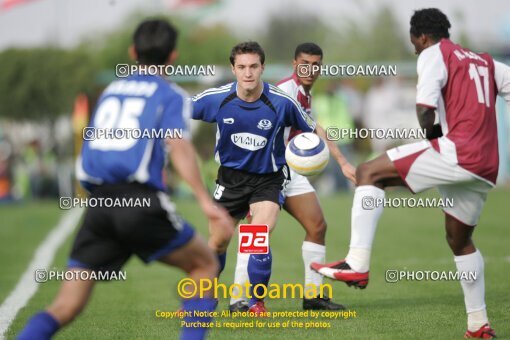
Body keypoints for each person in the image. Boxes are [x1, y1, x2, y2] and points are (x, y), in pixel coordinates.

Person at [18, 19, 232, 340]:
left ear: (132, 52)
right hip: (139, 201)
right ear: (173, 56)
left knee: (65, 306)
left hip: (100, 204)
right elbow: (178, 144)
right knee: (204, 267)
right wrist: (206, 202)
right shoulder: (170, 94)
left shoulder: (110, 91)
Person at [312, 8, 510, 339]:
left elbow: (424, 107)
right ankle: (479, 324)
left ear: (419, 36)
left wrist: (433, 140)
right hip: (486, 166)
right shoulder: (486, 62)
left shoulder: (434, 53)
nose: (415, 49)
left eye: (414, 43)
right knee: (459, 240)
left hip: (455, 153)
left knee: (367, 172)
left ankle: (357, 263)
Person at [191, 41, 343, 314]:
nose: (247, 73)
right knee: (217, 242)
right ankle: (206, 299)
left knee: (257, 235)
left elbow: (313, 128)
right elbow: (178, 111)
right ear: (233, 69)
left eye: (253, 66)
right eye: (241, 67)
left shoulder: (282, 102)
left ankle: (255, 302)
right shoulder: (216, 98)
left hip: (268, 179)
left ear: (262, 67)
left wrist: (338, 160)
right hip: (229, 180)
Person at [229, 43, 355, 312]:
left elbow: (315, 128)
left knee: (317, 226)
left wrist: (343, 162)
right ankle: (239, 299)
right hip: (266, 173)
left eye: (316, 64)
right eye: (304, 63)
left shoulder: (306, 94)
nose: (310, 69)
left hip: (291, 173)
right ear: (294, 64)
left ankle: (313, 296)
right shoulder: (285, 90)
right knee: (257, 233)